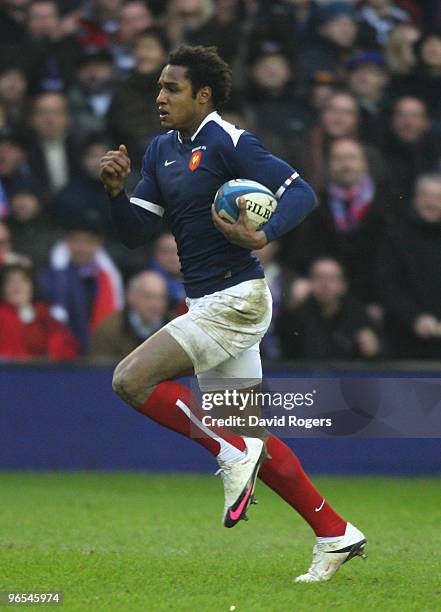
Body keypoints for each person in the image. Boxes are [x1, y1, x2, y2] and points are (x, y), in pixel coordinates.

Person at [100, 44, 366, 583]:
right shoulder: (160, 151)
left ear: (203, 95)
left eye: (171, 88)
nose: (160, 97)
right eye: (158, 87)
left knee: (130, 380)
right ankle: (335, 533)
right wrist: (114, 193)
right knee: (255, 439)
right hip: (207, 300)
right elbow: (134, 234)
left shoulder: (229, 140)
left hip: (238, 299)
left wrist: (262, 232)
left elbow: (302, 191)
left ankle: (228, 448)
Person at [376, 172, 441, 359]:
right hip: (405, 340)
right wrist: (414, 318)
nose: (432, 202)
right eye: (426, 196)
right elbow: (387, 284)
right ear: (416, 199)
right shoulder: (395, 237)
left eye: (437, 197)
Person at [277, 257, 381, 360]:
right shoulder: (297, 312)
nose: (325, 284)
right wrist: (292, 305)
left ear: (343, 285)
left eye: (332, 278)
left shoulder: (358, 315)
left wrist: (374, 350)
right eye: (319, 277)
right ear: (309, 282)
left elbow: (383, 355)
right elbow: (281, 347)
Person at [0, 263, 78, 360]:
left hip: (44, 373)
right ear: (2, 289)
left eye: (23, 280)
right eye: (10, 281)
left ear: (32, 287)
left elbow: (66, 350)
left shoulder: (46, 317)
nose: (17, 285)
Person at [90, 270, 169, 360]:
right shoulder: (110, 329)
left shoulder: (174, 329)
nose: (156, 304)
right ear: (131, 297)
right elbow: (98, 370)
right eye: (148, 297)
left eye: (161, 298)